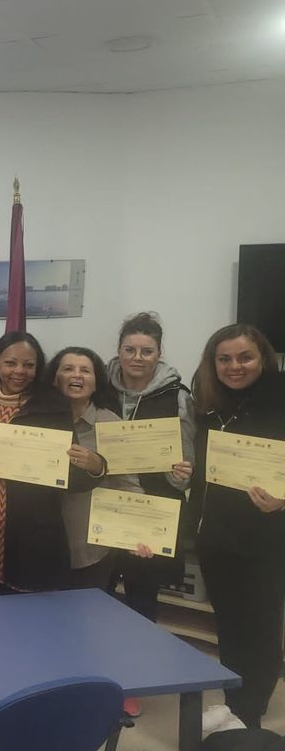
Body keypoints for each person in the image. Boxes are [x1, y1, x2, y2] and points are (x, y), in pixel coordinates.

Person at [190, 324, 285, 730]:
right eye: (224, 359)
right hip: (217, 535)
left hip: (267, 535)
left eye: (245, 357)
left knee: (260, 625)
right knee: (228, 623)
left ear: (263, 358)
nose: (234, 366)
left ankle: (250, 712)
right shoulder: (210, 403)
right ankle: (234, 703)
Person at [0, 332, 92, 596]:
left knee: (22, 621)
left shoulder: (53, 406)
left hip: (31, 528)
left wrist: (94, 465)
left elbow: (71, 476)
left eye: (29, 365)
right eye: (11, 363)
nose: (19, 371)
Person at [105, 313, 195, 623]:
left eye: (147, 351)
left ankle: (138, 668)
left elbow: (186, 464)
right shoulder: (97, 388)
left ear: (159, 353)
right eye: (129, 349)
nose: (137, 358)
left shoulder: (178, 397)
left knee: (141, 600)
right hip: (102, 507)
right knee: (93, 595)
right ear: (118, 350)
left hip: (151, 508)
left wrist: (181, 474)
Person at [46, 347, 143, 591]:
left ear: (96, 381)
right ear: (54, 379)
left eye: (85, 370)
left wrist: (137, 533)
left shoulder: (110, 423)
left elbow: (128, 484)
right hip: (40, 545)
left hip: (90, 548)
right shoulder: (36, 420)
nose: (76, 375)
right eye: (67, 369)